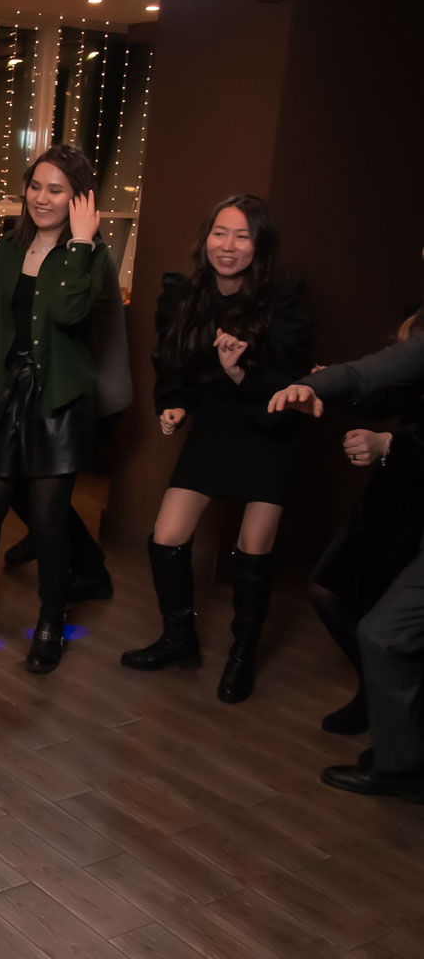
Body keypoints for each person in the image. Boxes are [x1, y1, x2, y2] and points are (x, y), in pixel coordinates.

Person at [121, 195, 311, 703]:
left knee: (253, 547)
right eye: (220, 233)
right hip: (217, 427)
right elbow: (171, 365)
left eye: (242, 236)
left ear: (260, 245)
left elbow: (287, 389)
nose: (228, 246)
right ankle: (178, 639)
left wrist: (238, 372)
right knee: (166, 536)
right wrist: (174, 405)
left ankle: (242, 656)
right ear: (205, 238)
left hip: (271, 429)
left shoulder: (285, 302)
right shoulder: (183, 296)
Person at [0, 145, 119, 674]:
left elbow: (68, 313)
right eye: (36, 186)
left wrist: (81, 242)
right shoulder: (6, 250)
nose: (42, 198)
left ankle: (51, 619)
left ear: (79, 199)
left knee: (46, 517)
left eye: (56, 190)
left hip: (58, 398)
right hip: (4, 393)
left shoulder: (90, 255)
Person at [270, 332, 424, 802]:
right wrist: (315, 385)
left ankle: (403, 765)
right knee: (373, 623)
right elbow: (372, 375)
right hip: (401, 497)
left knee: (385, 633)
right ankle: (399, 751)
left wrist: (392, 443)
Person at [305, 301, 424, 735]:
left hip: (414, 492)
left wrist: (389, 444)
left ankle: (400, 725)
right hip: (396, 491)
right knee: (329, 590)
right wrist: (336, 384)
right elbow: (391, 394)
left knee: (390, 621)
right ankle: (374, 696)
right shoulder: (417, 319)